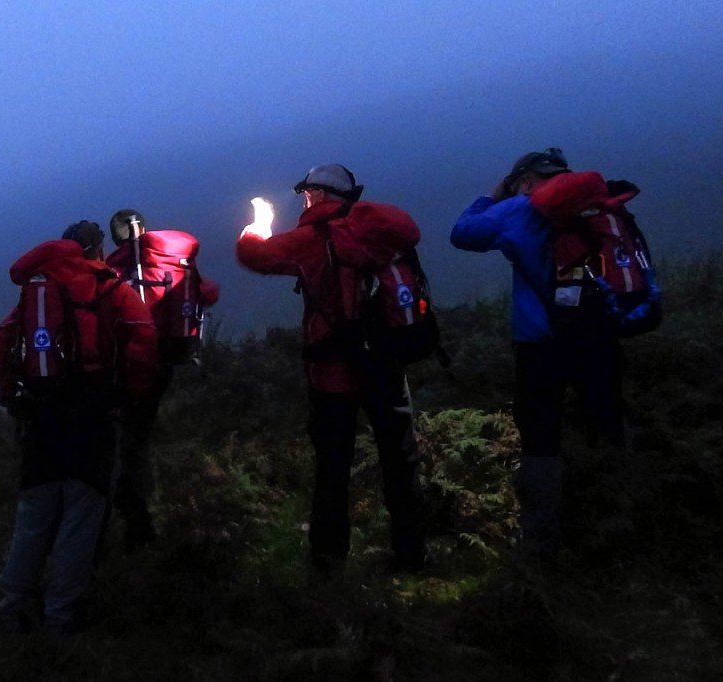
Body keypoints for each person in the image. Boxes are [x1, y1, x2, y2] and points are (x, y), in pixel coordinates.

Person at [235, 164, 429, 575]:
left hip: (333, 375)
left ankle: (328, 566)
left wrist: (257, 226)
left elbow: (254, 255)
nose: (305, 200)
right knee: (400, 460)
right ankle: (413, 555)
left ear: (319, 195)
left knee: (333, 470)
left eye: (307, 194)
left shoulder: (311, 239)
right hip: (386, 365)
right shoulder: (377, 234)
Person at [450, 147, 628, 558]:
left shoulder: (518, 208)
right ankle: (618, 520)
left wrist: (495, 195)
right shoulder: (597, 206)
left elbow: (463, 232)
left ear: (527, 180)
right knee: (606, 421)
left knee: (541, 438)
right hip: (600, 336)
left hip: (540, 344)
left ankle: (541, 542)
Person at [0, 223, 158, 634]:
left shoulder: (33, 295)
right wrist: (129, 397)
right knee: (80, 517)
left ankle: (12, 607)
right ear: (92, 250)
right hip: (92, 414)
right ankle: (61, 614)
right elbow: (143, 341)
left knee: (33, 515)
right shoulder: (108, 287)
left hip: (42, 418)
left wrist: (13, 399)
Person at [105, 209, 220, 551]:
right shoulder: (174, 260)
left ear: (115, 238)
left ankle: (137, 521)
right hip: (168, 358)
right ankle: (147, 502)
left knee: (130, 439)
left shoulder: (112, 268)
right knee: (141, 432)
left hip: (127, 368)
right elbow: (207, 294)